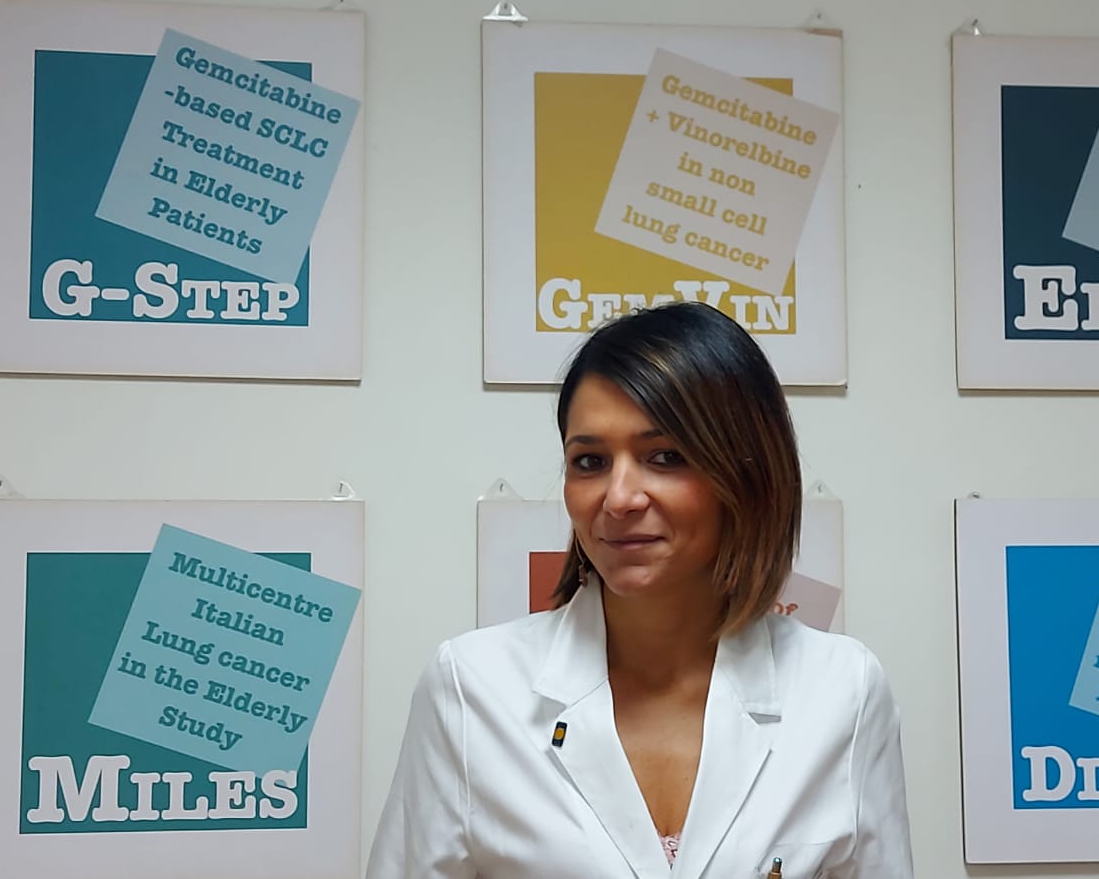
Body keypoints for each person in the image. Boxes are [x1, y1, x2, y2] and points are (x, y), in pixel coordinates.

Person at [367, 302, 913, 878]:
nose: (619, 498)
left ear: (747, 474)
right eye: (590, 461)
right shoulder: (470, 688)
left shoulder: (843, 692)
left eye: (665, 457)